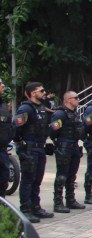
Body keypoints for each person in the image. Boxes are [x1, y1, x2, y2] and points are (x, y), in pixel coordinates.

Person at [14, 83, 53, 221]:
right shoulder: (26, 108)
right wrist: (21, 145)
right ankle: (26, 209)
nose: (44, 92)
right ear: (32, 93)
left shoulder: (41, 108)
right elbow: (16, 129)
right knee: (28, 180)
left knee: (37, 180)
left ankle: (35, 207)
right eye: (41, 91)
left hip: (40, 148)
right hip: (29, 149)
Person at [0, 78, 12, 199]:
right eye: (0, 84)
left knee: (4, 178)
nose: (3, 86)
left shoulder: (3, 105)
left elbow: (8, 125)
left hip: (3, 148)